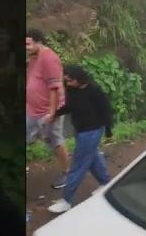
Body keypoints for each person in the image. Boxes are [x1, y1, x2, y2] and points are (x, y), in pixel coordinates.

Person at [48, 65, 113, 214]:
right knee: (93, 158)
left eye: (70, 81)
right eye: (66, 80)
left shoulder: (94, 91)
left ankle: (66, 200)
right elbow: (70, 106)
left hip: (92, 131)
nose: (68, 83)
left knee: (78, 165)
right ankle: (105, 183)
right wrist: (55, 114)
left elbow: (106, 111)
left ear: (79, 79)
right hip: (80, 130)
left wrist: (108, 131)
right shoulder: (72, 89)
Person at [26, 28, 69, 189]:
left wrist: (52, 113)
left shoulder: (49, 58)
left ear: (38, 42)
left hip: (47, 111)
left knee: (55, 141)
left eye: (28, 44)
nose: (26, 47)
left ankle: (66, 172)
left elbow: (55, 87)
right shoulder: (33, 57)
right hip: (32, 109)